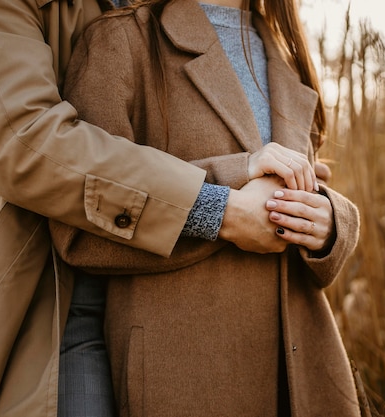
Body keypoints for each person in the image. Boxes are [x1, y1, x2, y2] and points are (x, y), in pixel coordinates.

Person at [0, 0, 327, 416]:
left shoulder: (262, 43)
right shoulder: (102, 29)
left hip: (201, 309)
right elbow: (24, 143)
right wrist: (219, 207)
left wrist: (321, 212)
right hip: (53, 297)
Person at [50, 0, 362, 415]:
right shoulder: (121, 39)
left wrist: (330, 223)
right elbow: (86, 217)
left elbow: (309, 186)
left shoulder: (287, 56)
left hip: (303, 373)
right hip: (183, 370)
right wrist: (228, 195)